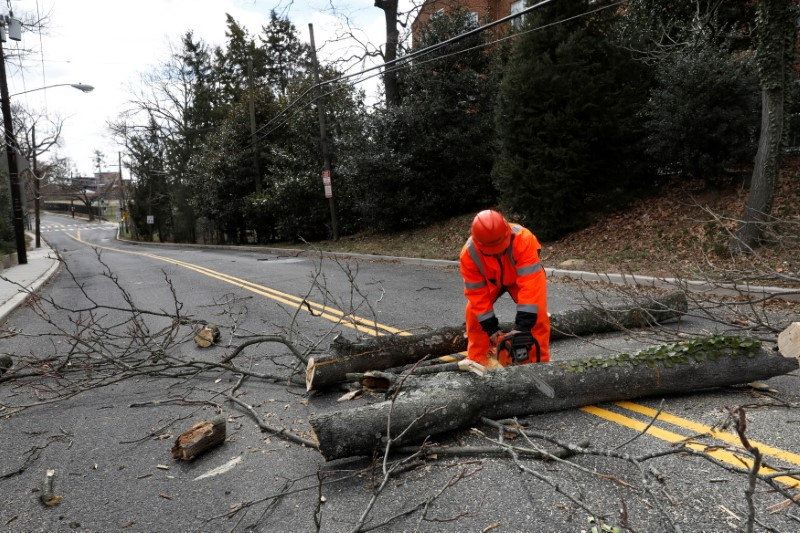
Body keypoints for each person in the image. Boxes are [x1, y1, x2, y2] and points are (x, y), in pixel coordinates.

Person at [459, 209, 550, 367]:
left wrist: (523, 327)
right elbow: (477, 295)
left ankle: (539, 362)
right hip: (492, 281)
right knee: (473, 314)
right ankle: (478, 360)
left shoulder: (524, 239)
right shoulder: (468, 254)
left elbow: (531, 286)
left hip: (519, 279)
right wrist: (491, 329)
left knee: (538, 314)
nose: (497, 251)